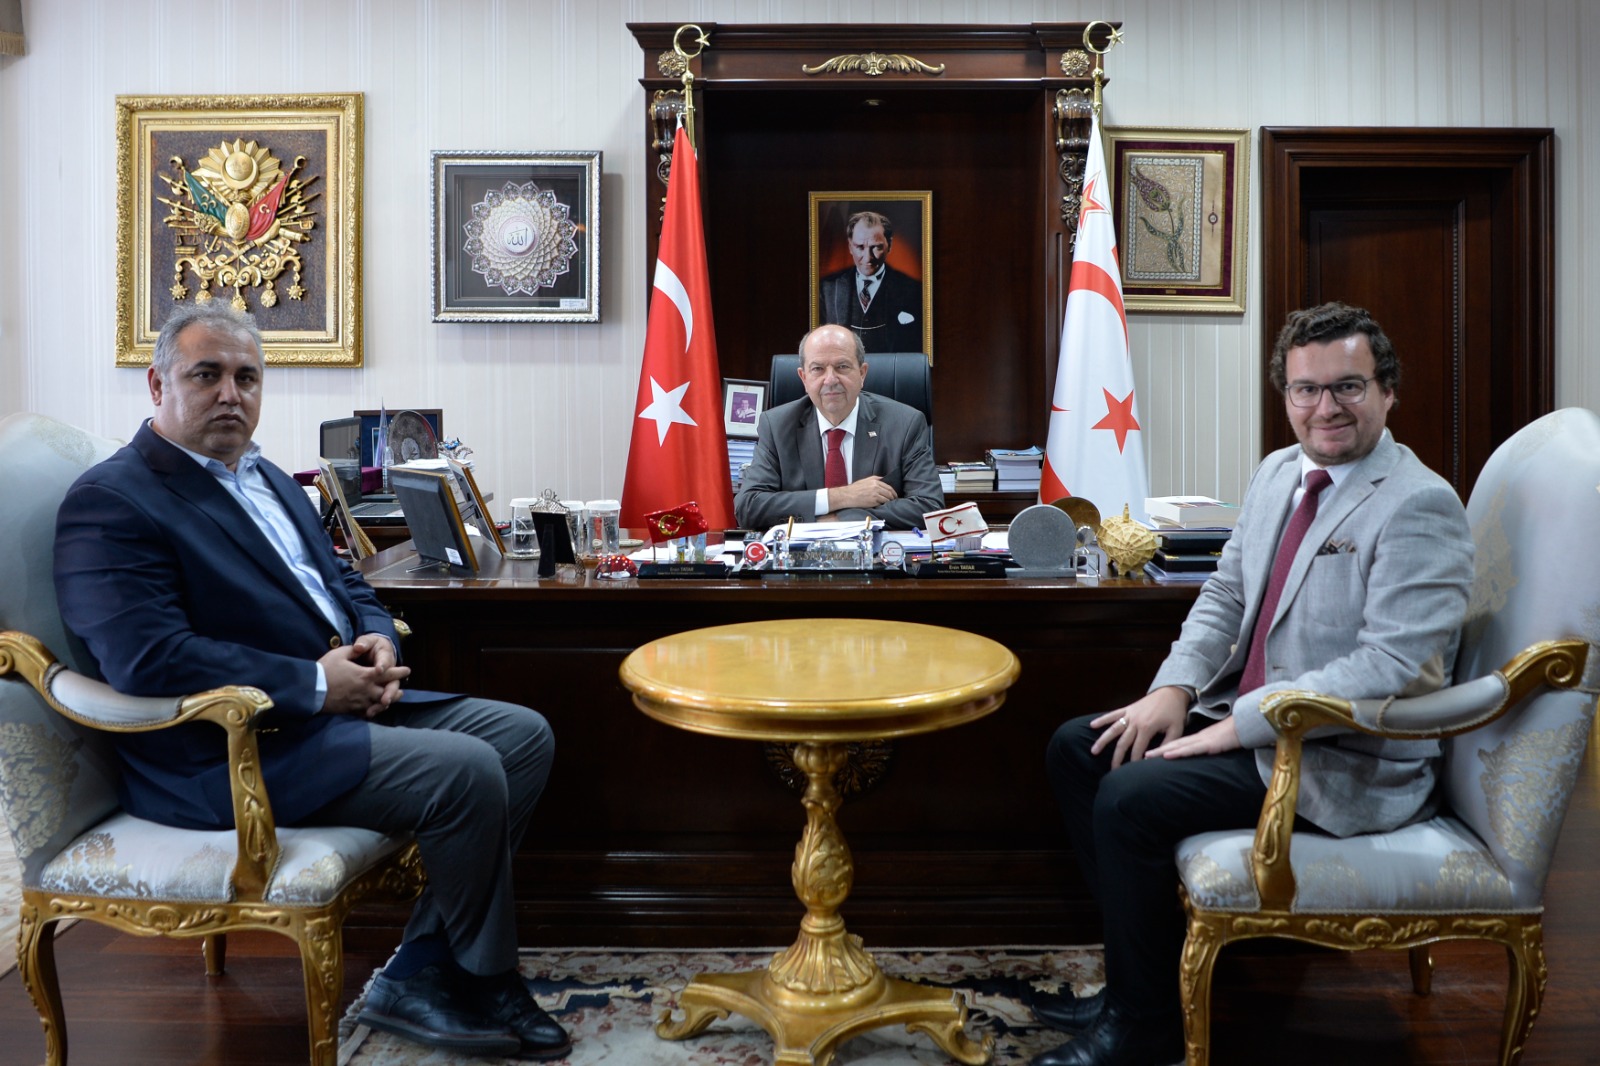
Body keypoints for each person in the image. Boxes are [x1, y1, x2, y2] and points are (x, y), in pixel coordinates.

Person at [53, 301, 571, 1061]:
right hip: (225, 750)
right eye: (206, 375)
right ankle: (486, 979)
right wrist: (315, 683)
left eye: (246, 378)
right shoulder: (112, 501)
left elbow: (342, 579)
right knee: (465, 770)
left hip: (322, 717)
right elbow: (148, 658)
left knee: (522, 736)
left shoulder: (267, 475)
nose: (231, 395)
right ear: (158, 385)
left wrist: (377, 635)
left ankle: (421, 968)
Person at [1032, 302, 1475, 1066]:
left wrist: (1239, 725)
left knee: (1130, 798)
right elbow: (1225, 595)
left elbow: (1390, 666)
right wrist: (1174, 690)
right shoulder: (1278, 472)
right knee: (1080, 748)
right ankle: (1150, 984)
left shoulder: (1418, 503)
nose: (1326, 407)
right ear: (1286, 395)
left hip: (1341, 758)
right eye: (1306, 389)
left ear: (1388, 391)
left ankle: (1144, 1029)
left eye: (1348, 386)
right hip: (1251, 724)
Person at [735, 323, 943, 531]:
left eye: (842, 366)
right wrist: (842, 496)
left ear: (862, 373)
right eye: (818, 369)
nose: (830, 379)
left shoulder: (905, 423)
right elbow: (749, 508)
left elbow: (929, 507)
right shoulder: (777, 425)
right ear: (804, 378)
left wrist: (842, 520)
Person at [818, 210, 924, 353]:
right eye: (860, 247)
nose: (868, 258)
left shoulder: (913, 290)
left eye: (876, 247)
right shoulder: (827, 289)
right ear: (850, 247)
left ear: (889, 245)